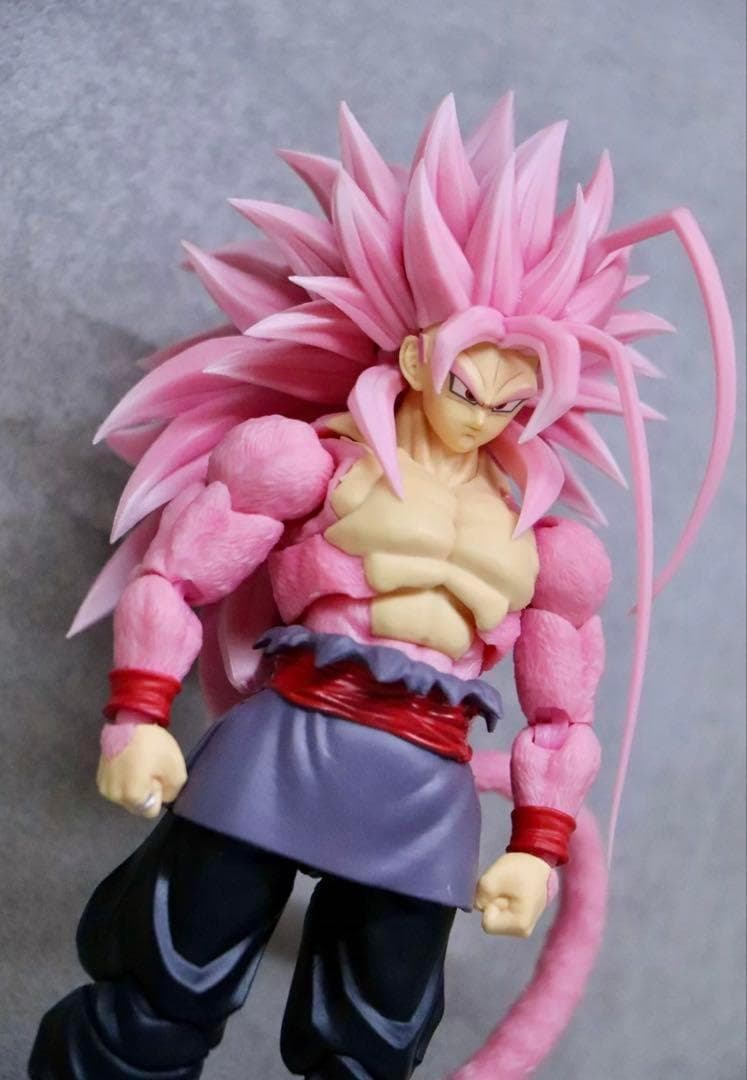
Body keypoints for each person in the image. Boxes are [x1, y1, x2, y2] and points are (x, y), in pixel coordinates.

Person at [29, 93, 735, 1080]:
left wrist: (534, 844)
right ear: (413, 354)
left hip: (424, 787)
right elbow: (177, 576)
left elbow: (560, 716)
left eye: (512, 400)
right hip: (285, 742)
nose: (482, 414)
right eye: (465, 386)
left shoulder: (550, 550)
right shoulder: (308, 463)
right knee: (155, 1001)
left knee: (371, 1049)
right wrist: (138, 712)